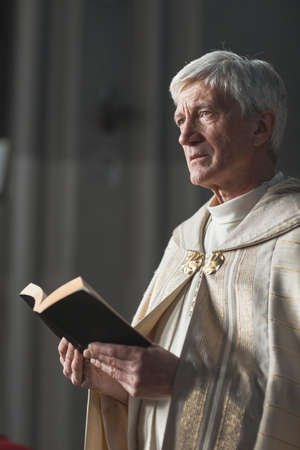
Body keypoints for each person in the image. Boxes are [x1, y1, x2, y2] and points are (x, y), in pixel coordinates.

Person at [58, 50, 300, 449]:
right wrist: (115, 381)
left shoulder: (291, 237)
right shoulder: (186, 239)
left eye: (204, 114)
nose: (185, 137)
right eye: (180, 121)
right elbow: (158, 390)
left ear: (260, 127)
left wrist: (182, 383)